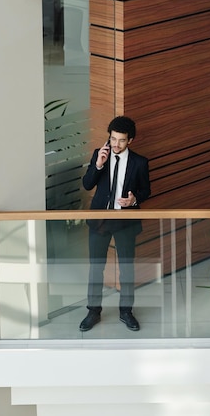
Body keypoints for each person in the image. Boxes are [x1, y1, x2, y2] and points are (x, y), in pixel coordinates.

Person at [79, 116, 151, 332]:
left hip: (125, 221)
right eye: (112, 139)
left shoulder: (140, 162)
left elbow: (146, 190)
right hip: (100, 219)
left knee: (127, 269)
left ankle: (126, 312)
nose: (115, 145)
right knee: (95, 268)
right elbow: (87, 183)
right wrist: (98, 165)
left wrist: (134, 200)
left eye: (121, 140)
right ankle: (93, 311)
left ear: (131, 140)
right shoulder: (99, 155)